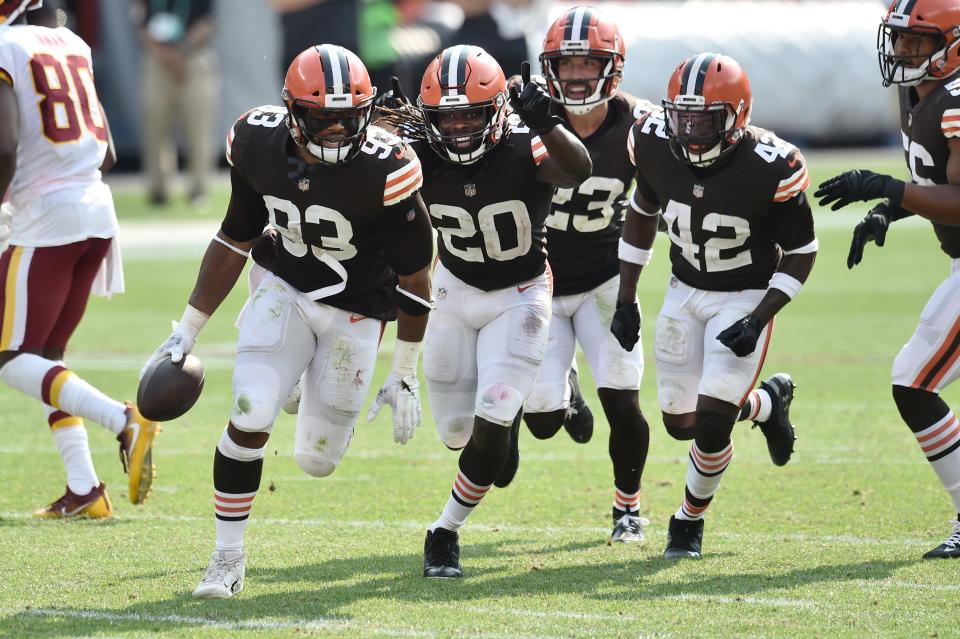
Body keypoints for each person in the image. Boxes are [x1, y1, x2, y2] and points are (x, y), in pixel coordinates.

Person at [144, 44, 434, 598]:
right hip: (284, 284)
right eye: (321, 118)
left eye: (347, 119)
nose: (334, 132)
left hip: (359, 305)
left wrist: (405, 369)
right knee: (250, 411)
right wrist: (188, 327)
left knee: (316, 461)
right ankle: (226, 561)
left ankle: (302, 378)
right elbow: (234, 236)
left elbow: (417, 277)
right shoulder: (256, 141)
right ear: (292, 111)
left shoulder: (389, 166)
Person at [385, 44, 591, 578]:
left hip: (520, 292)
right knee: (460, 435)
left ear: (498, 109)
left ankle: (444, 531)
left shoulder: (527, 142)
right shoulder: (414, 150)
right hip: (452, 289)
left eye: (469, 114)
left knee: (494, 412)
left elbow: (578, 170)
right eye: (445, 117)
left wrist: (549, 123)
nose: (456, 129)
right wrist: (365, 133)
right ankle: (504, 427)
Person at [615, 53, 817, 559]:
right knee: (678, 423)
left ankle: (687, 521)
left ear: (737, 115)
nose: (690, 130)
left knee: (709, 425)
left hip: (746, 294)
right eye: (682, 117)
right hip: (684, 290)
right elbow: (641, 215)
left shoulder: (772, 165)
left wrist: (758, 318)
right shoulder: (653, 140)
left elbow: (801, 253)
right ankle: (767, 404)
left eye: (704, 119)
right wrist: (626, 298)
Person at [0, 0, 158, 517]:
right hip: (94, 208)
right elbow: (108, 151)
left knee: (10, 357)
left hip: (46, 213)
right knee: (44, 360)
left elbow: (3, 147)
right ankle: (85, 489)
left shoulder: (6, 45)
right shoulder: (74, 44)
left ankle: (123, 419)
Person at [815, 0, 960, 559]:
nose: (902, 52)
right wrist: (890, 210)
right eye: (898, 39)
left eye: (916, 42)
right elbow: (934, 177)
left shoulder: (953, 103)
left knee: (913, 380)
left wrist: (886, 189)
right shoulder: (918, 95)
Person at [517, 6, 653, 544]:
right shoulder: (524, 121)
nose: (574, 76)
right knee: (544, 422)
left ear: (613, 67)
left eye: (587, 63)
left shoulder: (640, 125)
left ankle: (628, 508)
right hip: (538, 285)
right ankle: (566, 389)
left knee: (623, 396)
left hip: (604, 280)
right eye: (565, 64)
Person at [135, 0, 217, 206]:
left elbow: (207, 21)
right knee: (155, 123)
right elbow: (139, 17)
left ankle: (198, 188)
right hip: (157, 58)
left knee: (198, 126)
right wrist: (163, 54)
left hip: (193, 57)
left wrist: (181, 51)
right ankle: (158, 188)